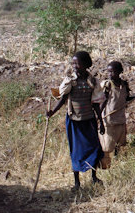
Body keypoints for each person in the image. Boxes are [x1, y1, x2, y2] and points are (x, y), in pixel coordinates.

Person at [46, 51, 105, 190]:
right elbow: (63, 99)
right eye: (73, 63)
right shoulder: (70, 81)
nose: (74, 66)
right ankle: (77, 182)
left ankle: (94, 177)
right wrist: (52, 112)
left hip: (89, 120)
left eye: (77, 63)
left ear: (86, 64)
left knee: (95, 148)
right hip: (74, 121)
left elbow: (96, 104)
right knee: (76, 151)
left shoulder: (92, 81)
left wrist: (101, 121)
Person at [99, 61, 135, 169]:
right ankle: (105, 166)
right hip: (108, 120)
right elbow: (103, 102)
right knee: (106, 146)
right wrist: (99, 118)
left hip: (120, 119)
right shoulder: (107, 85)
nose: (110, 74)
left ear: (120, 72)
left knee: (120, 144)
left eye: (113, 72)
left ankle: (118, 165)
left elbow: (126, 99)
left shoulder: (124, 85)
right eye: (109, 72)